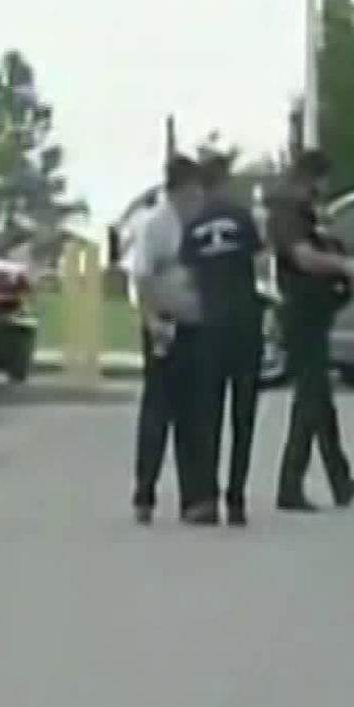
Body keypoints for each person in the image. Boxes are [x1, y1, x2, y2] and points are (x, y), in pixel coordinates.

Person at [268, 148, 354, 512]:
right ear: (311, 178)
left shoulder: (303, 212)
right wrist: (343, 265)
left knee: (320, 402)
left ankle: (340, 479)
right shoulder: (287, 213)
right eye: (322, 181)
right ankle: (289, 485)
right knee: (310, 400)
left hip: (315, 312)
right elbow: (303, 257)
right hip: (302, 313)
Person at [183, 155, 266, 526]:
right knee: (243, 416)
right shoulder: (242, 218)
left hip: (210, 328)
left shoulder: (194, 226)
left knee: (209, 416)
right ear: (226, 181)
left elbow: (189, 277)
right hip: (245, 322)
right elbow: (259, 263)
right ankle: (236, 497)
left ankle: (207, 496)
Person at [128, 156, 207, 524]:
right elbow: (142, 278)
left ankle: (194, 497)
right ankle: (145, 492)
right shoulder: (156, 226)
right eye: (193, 190)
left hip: (196, 326)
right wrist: (152, 321)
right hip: (165, 326)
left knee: (194, 414)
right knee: (158, 412)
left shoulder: (200, 223)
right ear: (178, 189)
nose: (198, 197)